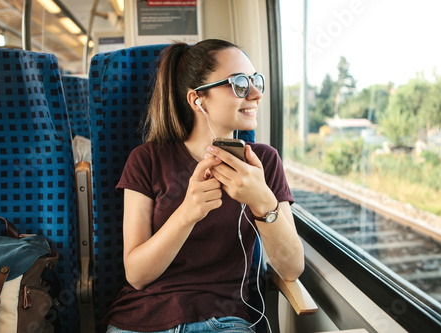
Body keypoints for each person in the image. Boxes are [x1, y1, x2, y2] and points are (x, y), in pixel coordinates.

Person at [105, 39, 304, 333]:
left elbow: (291, 268)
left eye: (255, 80)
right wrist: (187, 212)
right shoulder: (146, 159)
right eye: (239, 83)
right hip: (143, 319)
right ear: (197, 99)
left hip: (225, 320)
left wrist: (262, 200)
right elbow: (137, 275)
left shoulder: (264, 162)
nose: (256, 93)